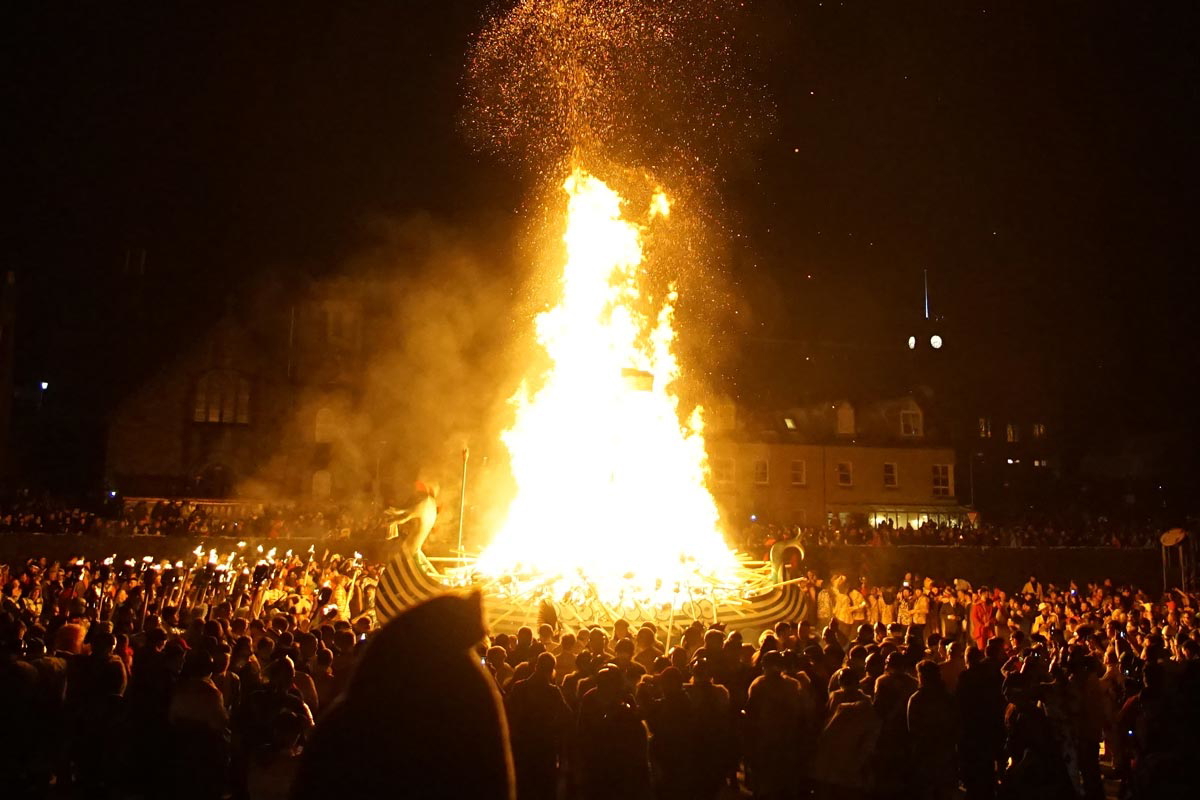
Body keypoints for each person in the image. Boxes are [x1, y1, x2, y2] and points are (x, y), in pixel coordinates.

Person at [505, 652, 569, 800]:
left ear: (536, 667)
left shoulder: (519, 687)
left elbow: (509, 713)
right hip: (545, 746)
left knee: (524, 788)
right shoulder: (553, 691)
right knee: (544, 788)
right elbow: (567, 716)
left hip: (522, 745)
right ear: (552, 670)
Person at [744, 649, 806, 799]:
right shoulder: (793, 685)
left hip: (766, 737)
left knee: (766, 777)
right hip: (786, 738)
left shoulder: (759, 684)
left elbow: (750, 711)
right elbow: (801, 712)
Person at [908, 659, 959, 800]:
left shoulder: (917, 699)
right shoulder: (947, 697)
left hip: (926, 752)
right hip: (945, 750)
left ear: (922, 677)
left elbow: (913, 727)